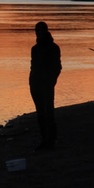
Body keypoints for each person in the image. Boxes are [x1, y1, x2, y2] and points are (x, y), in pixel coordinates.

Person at [29, 21, 61, 150]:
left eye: (41, 31)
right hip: (35, 83)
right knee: (40, 113)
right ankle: (44, 139)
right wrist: (32, 80)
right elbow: (33, 66)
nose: (39, 33)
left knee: (48, 112)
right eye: (37, 31)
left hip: (47, 84)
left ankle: (51, 139)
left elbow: (57, 67)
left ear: (46, 31)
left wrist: (52, 80)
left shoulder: (53, 48)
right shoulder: (34, 49)